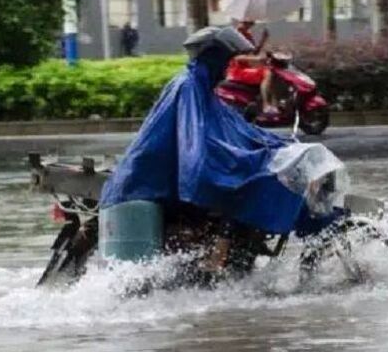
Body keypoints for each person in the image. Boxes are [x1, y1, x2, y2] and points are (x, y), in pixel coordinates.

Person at [99, 26, 305, 240]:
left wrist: (276, 144)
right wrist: (237, 159)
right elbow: (196, 145)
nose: (228, 68)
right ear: (212, 58)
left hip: (168, 174)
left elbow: (238, 130)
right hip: (149, 180)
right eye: (226, 60)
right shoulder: (188, 87)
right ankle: (215, 259)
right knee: (241, 188)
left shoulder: (204, 89)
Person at [228, 19, 278, 117]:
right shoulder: (235, 36)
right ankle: (266, 105)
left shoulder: (248, 35)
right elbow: (235, 57)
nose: (249, 25)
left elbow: (253, 52)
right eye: (246, 22)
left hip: (246, 68)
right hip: (237, 70)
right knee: (267, 73)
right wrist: (256, 59)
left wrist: (263, 40)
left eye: (250, 23)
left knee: (273, 72)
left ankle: (274, 104)